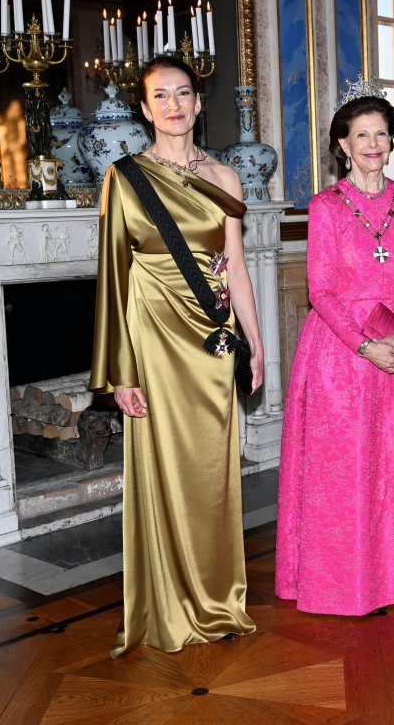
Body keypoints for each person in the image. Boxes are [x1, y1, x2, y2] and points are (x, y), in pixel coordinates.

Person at [89, 55, 264, 656]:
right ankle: (165, 601)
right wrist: (118, 372)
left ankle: (217, 599)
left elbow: (235, 266)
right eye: (160, 96)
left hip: (212, 339)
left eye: (183, 93)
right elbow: (113, 277)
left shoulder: (226, 176)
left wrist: (256, 342)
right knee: (162, 468)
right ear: (143, 108)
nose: (174, 105)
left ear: (198, 101)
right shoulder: (123, 176)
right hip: (152, 341)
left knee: (212, 473)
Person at [276, 81, 394, 615]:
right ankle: (353, 582)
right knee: (352, 470)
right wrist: (366, 345)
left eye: (382, 134)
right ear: (342, 144)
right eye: (362, 134)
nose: (373, 143)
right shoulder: (326, 207)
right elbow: (321, 289)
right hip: (343, 353)